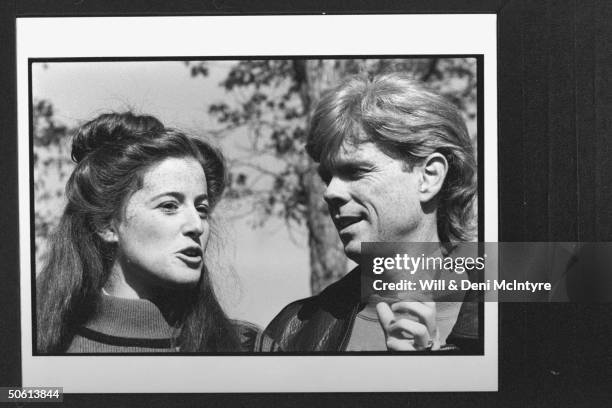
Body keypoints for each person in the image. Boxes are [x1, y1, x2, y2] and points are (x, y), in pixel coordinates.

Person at [263, 72, 481, 352]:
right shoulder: (291, 333)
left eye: (355, 171)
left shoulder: (515, 313)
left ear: (429, 176)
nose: (331, 192)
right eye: (327, 177)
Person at [36, 112, 273, 353]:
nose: (196, 225)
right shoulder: (40, 347)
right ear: (106, 224)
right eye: (169, 206)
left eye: (202, 209)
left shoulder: (248, 349)